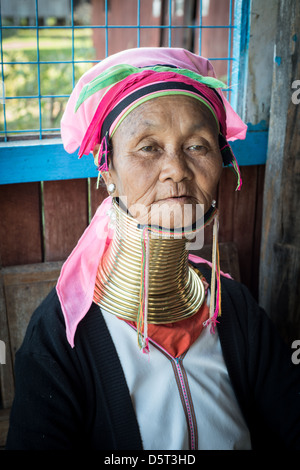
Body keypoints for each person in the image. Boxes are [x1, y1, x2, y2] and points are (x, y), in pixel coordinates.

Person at [6, 47, 300, 450]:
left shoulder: (235, 308)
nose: (177, 170)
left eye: (197, 146)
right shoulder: (61, 336)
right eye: (148, 147)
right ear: (106, 169)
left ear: (222, 159)